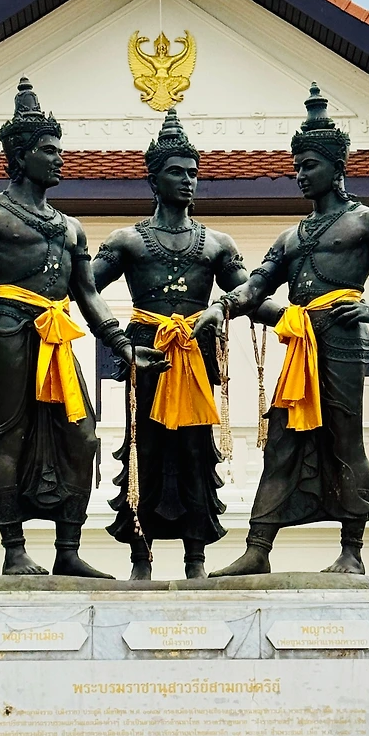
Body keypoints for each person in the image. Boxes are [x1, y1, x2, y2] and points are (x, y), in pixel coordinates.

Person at [0, 77, 164, 578]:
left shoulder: (70, 226)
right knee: (14, 435)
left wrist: (120, 345)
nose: (59, 159)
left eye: (59, 149)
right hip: (11, 328)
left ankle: (67, 550)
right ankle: (14, 549)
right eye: (49, 150)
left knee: (82, 437)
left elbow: (88, 294)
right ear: (20, 155)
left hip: (56, 332)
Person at [194, 85, 369, 576]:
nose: (300, 175)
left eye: (308, 165)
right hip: (302, 343)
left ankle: (352, 550)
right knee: (281, 440)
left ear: (335, 165)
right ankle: (258, 548)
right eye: (297, 166)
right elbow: (256, 286)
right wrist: (223, 306)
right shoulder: (292, 236)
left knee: (345, 439)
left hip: (343, 337)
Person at [93, 110, 281, 580]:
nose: (188, 180)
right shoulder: (127, 241)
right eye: (177, 172)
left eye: (193, 172)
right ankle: (141, 559)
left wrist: (300, 318)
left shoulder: (216, 243)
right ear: (154, 179)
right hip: (146, 354)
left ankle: (196, 558)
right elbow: (84, 289)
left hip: (195, 356)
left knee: (196, 454)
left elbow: (250, 295)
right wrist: (115, 338)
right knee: (144, 451)